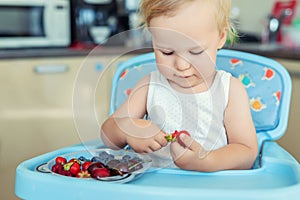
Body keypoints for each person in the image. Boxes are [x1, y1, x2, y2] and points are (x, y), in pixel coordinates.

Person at [101, 0, 258, 171]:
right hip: (153, 189)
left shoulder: (229, 89)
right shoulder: (150, 85)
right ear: (154, 41)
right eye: (167, 52)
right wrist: (127, 127)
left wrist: (207, 161)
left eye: (196, 51)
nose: (182, 65)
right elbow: (107, 135)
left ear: (221, 37)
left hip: (211, 189)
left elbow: (246, 152)